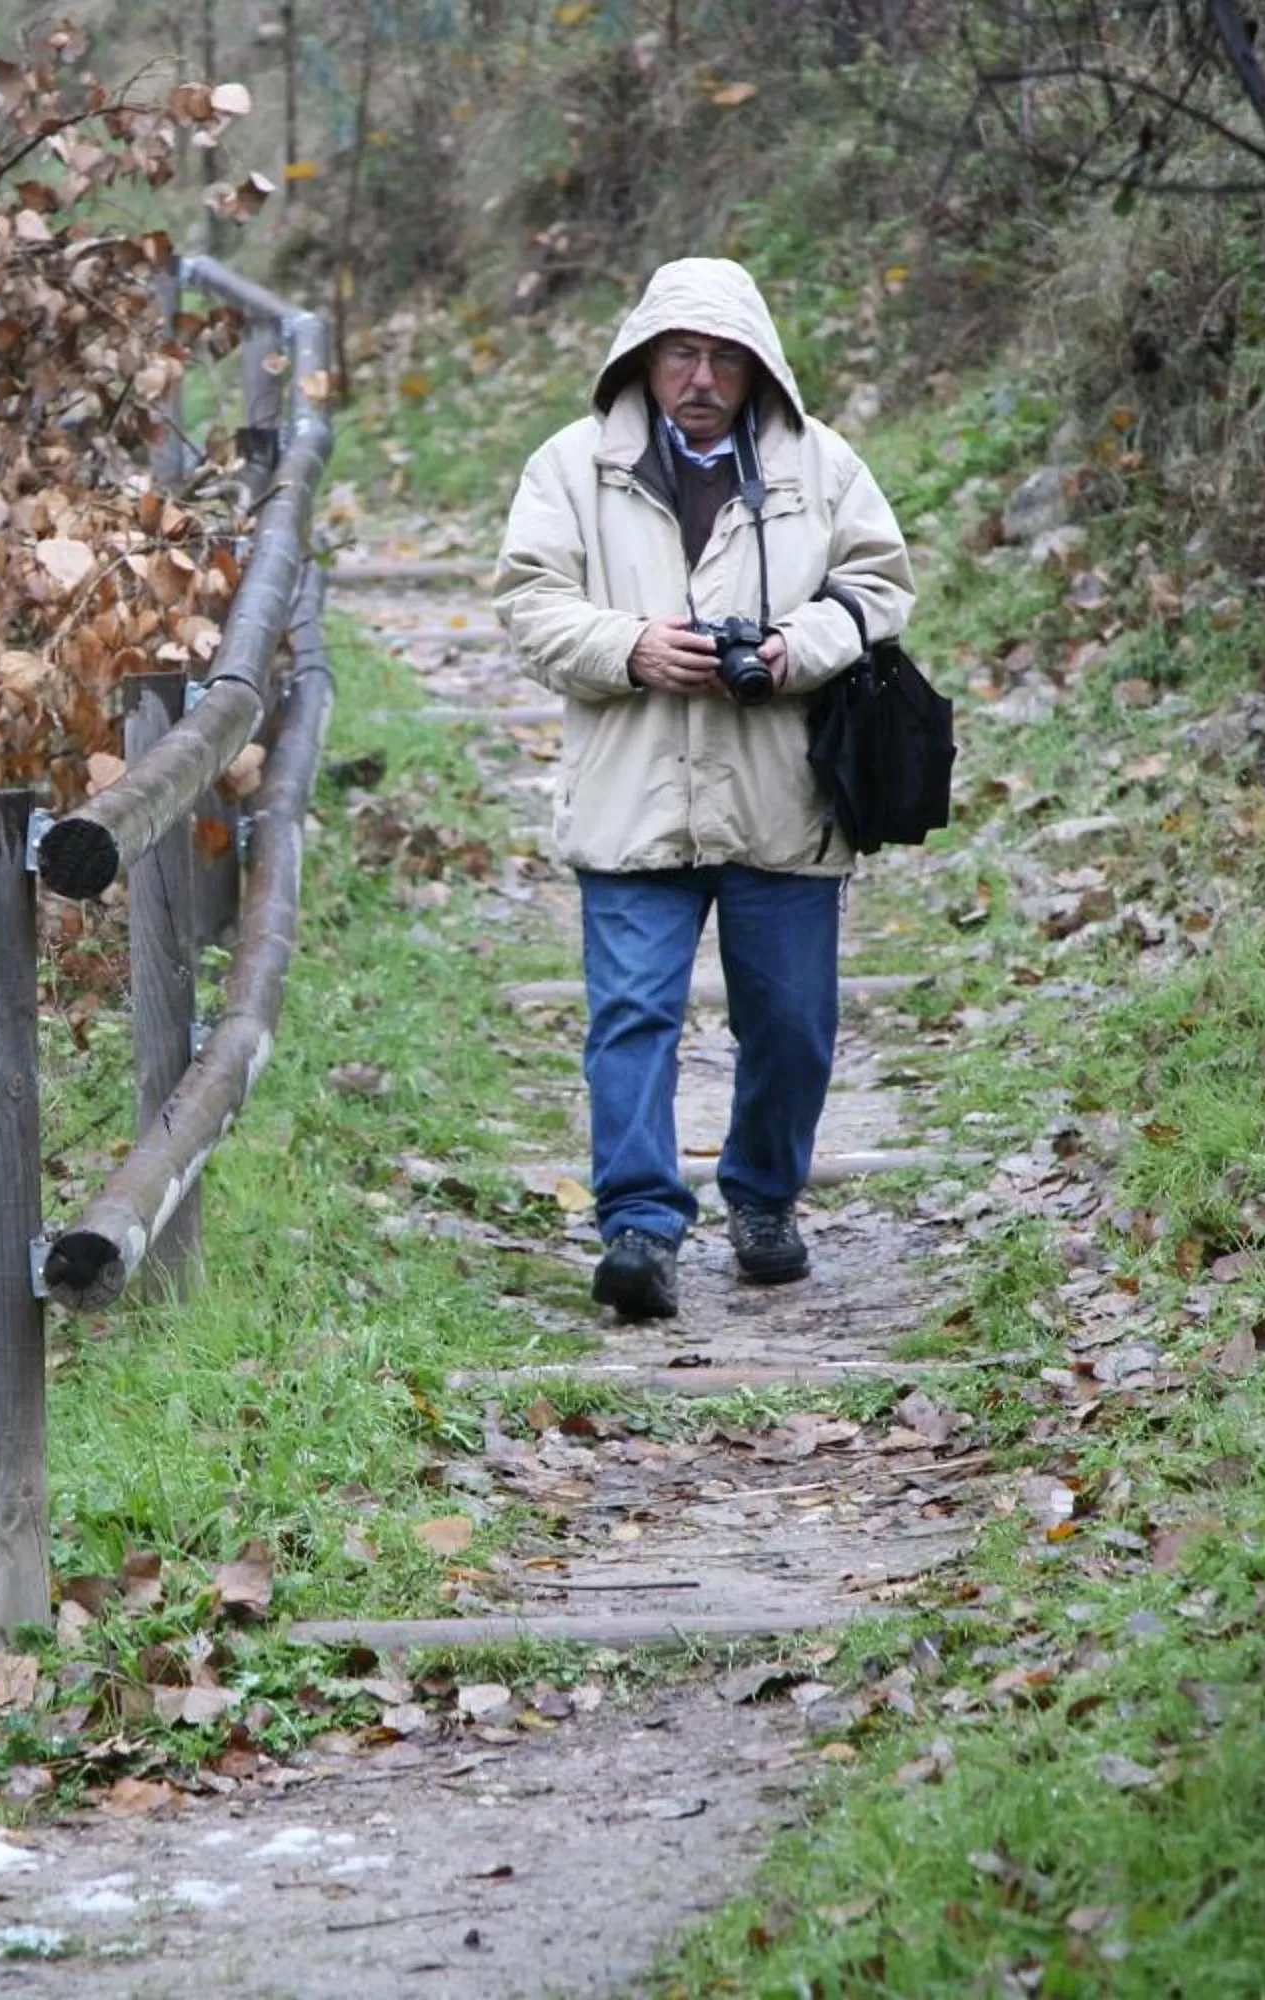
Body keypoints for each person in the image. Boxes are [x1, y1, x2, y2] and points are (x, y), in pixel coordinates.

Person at [492, 258, 916, 1317]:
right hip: (632, 796)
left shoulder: (820, 466)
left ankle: (765, 1200)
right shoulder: (570, 468)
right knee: (631, 1016)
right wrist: (630, 646)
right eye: (681, 352)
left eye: (725, 356)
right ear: (642, 357)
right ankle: (639, 1227)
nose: (701, 375)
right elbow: (528, 602)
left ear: (758, 366)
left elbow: (877, 588)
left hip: (781, 792)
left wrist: (788, 650)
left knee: (792, 1021)